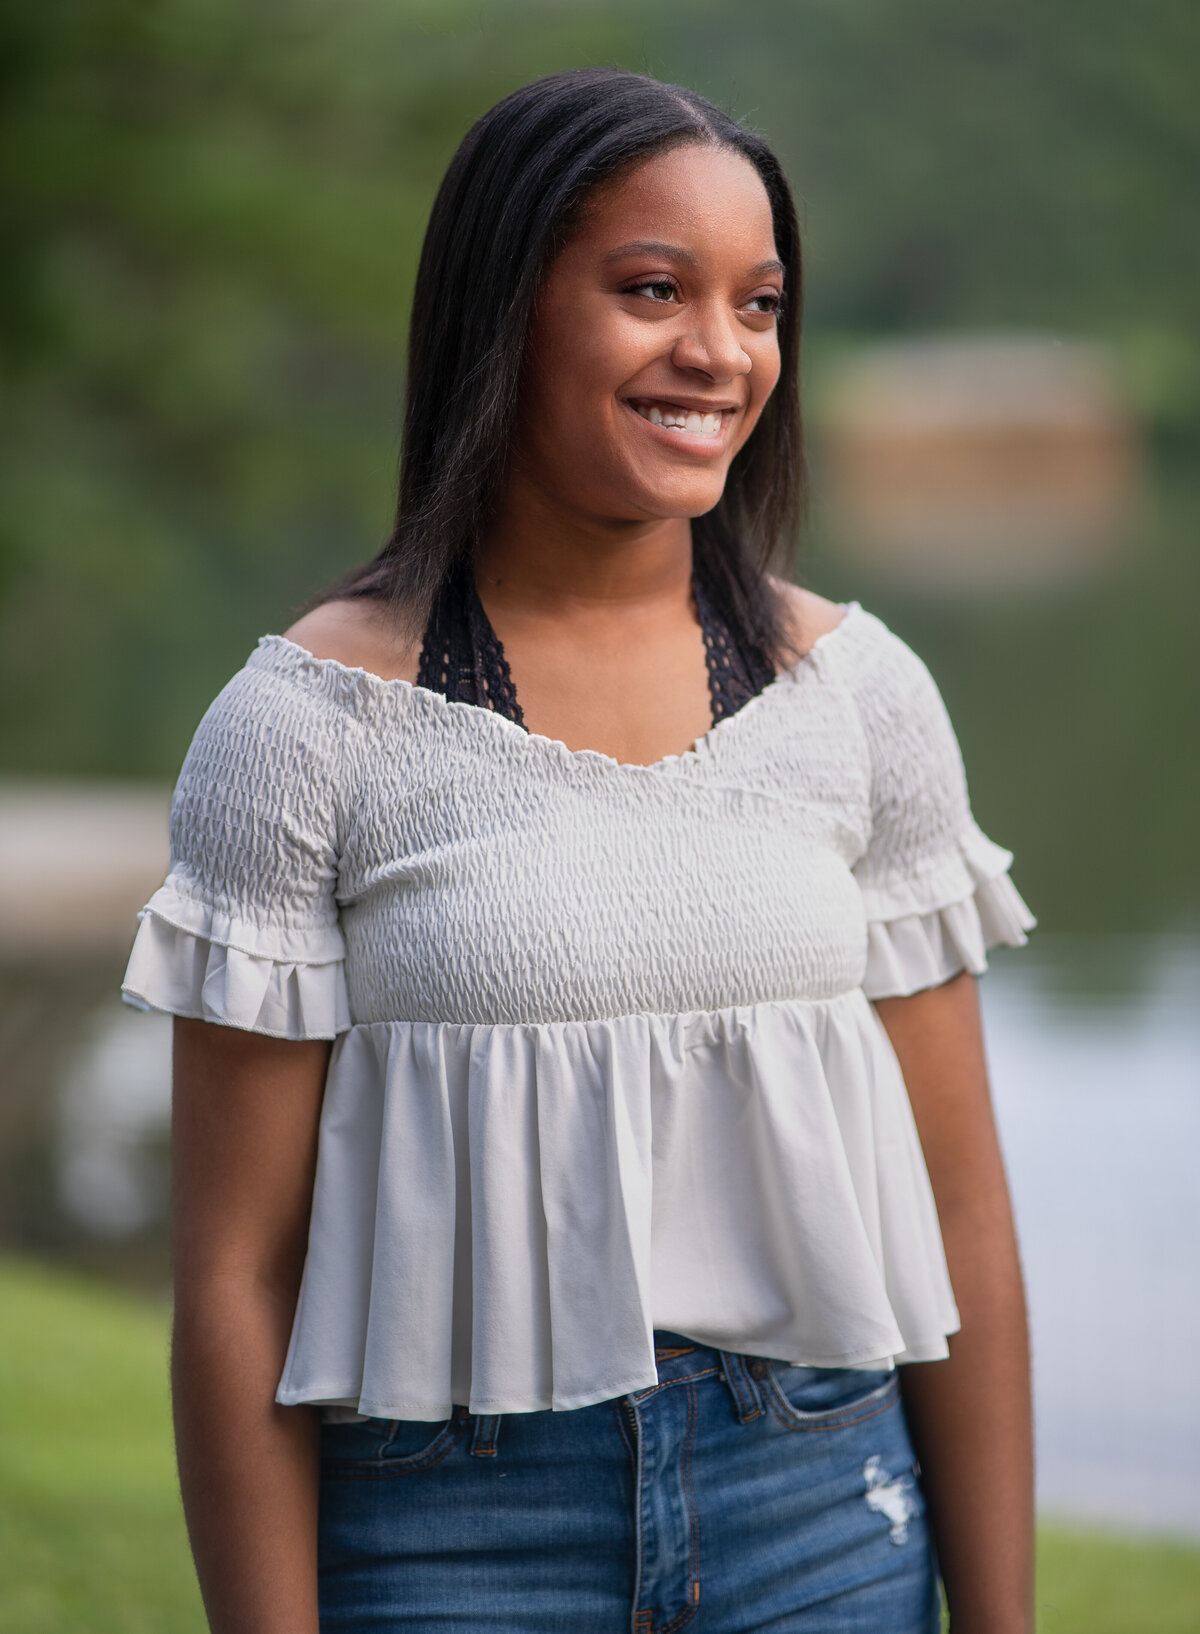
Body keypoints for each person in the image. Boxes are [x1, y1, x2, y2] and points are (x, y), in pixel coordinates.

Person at [122, 67, 1036, 1634]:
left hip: (818, 1502)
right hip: (444, 1532)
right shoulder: (307, 728)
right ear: (505, 310)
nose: (720, 352)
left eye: (759, 304)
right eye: (651, 290)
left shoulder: (861, 698)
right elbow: (234, 1283)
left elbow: (963, 1216)